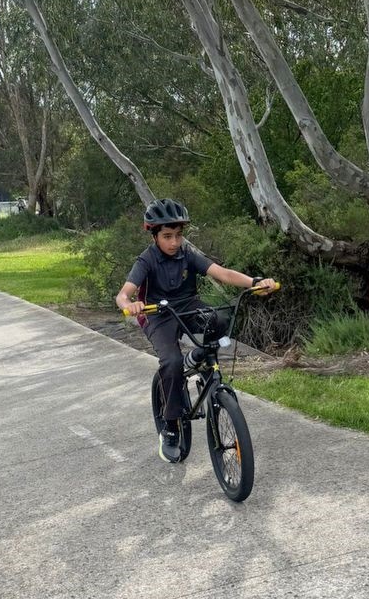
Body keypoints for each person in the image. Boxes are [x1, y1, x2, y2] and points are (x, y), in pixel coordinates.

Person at [115, 198, 277, 464]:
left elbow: (222, 273)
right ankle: (169, 427)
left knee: (219, 320)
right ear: (154, 235)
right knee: (171, 362)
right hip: (158, 314)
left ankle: (199, 358)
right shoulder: (146, 260)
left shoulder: (186, 254)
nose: (174, 242)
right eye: (167, 236)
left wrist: (255, 283)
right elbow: (123, 294)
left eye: (178, 235)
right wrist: (131, 306)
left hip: (188, 307)